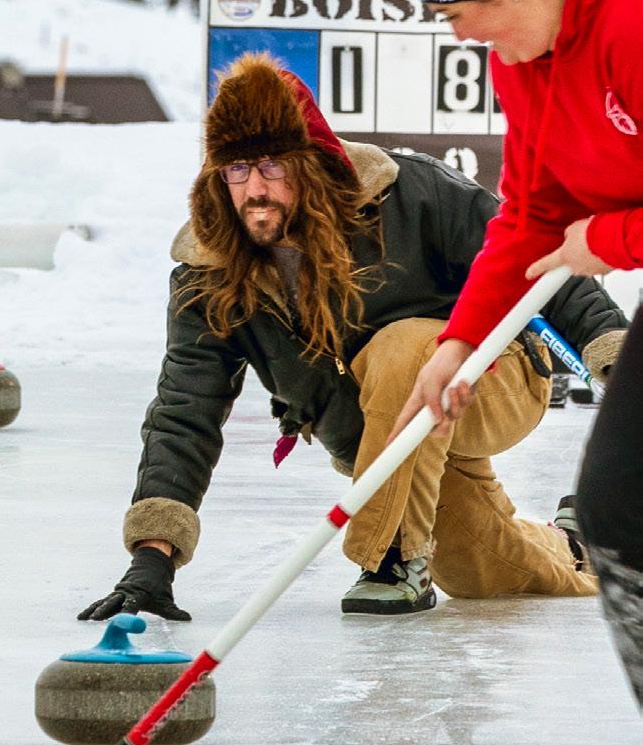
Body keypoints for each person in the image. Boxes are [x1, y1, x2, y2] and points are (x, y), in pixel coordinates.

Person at [80, 51, 626, 628]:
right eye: (236, 169)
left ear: (311, 162)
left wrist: (615, 353)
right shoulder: (211, 272)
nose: (254, 188)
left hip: (486, 380)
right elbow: (186, 406)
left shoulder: (408, 195)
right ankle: (576, 543)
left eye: (272, 166)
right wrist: (154, 555)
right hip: (376, 438)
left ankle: (389, 558)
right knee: (480, 568)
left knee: (402, 345)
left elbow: (531, 258)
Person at [391, 0, 643, 745]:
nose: (457, 35)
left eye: (459, 12)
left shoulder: (629, 17)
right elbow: (531, 214)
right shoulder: (521, 58)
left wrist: (610, 239)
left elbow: (587, 233)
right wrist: (460, 341)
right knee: (617, 514)